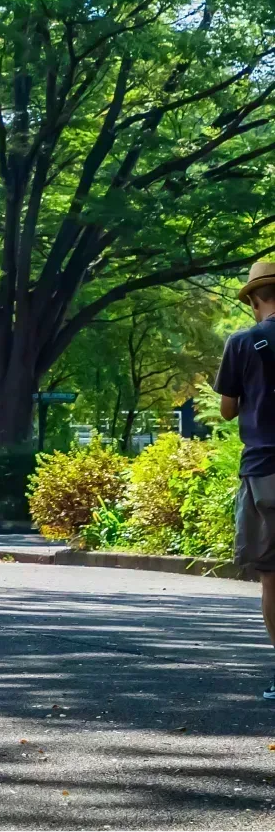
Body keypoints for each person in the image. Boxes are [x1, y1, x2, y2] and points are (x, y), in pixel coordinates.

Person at [215, 257, 275, 695]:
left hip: (264, 471)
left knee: (272, 574)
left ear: (256, 299)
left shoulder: (242, 343)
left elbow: (228, 408)